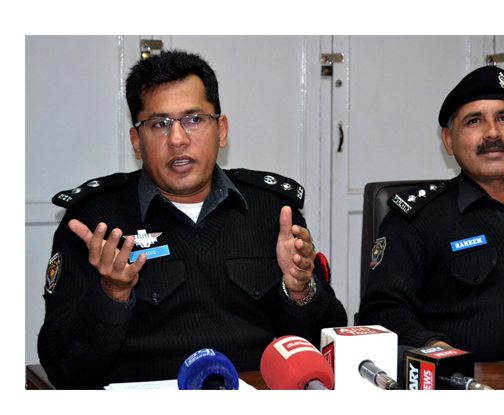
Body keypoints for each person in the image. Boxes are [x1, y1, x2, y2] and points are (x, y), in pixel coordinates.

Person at [37, 50, 347, 389]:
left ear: (222, 130)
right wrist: (112, 293)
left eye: (194, 119)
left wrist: (299, 291)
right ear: (136, 142)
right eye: (159, 124)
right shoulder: (95, 222)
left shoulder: (272, 210)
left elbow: (329, 344)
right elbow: (62, 367)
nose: (178, 139)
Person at [358, 66, 504, 361]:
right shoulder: (417, 218)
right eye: (474, 121)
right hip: (471, 381)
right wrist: (436, 350)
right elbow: (384, 309)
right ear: (448, 140)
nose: (493, 133)